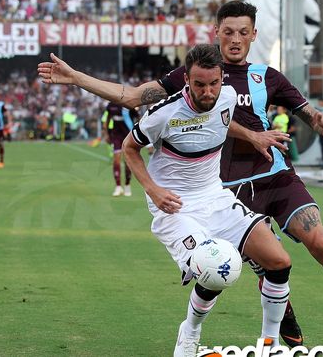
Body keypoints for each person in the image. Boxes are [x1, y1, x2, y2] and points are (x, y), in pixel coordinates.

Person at [37, 1, 323, 355]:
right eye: (228, 31)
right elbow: (134, 97)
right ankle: (255, 330)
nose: (234, 39)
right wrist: (77, 79)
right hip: (223, 187)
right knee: (231, 268)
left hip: (272, 176)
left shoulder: (263, 78)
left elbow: (300, 112)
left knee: (320, 245)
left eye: (242, 32)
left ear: (253, 35)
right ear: (216, 33)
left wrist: (321, 120)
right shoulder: (189, 78)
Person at [122, 44, 292, 356]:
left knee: (279, 262)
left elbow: (223, 122)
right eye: (199, 84)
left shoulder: (226, 96)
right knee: (214, 268)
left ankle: (270, 344)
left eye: (214, 83)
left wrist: (254, 136)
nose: (208, 91)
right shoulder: (164, 113)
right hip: (175, 205)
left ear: (222, 79)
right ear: (186, 79)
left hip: (215, 196)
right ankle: (190, 331)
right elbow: (128, 148)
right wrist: (152, 190)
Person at [101, 101, 138, 196]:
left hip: (128, 136)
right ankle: (118, 186)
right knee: (116, 160)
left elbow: (137, 117)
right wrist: (106, 134)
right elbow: (108, 119)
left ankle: (127, 185)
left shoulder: (128, 104)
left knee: (127, 162)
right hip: (116, 136)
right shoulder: (111, 105)